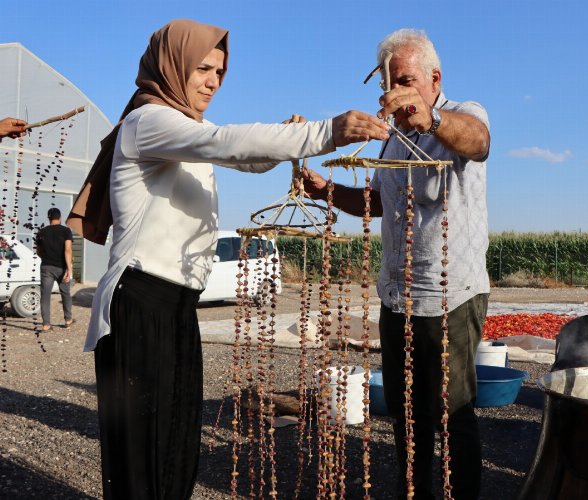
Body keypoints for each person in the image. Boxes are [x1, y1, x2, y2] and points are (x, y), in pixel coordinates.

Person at [67, 19, 388, 500]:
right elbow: (225, 144)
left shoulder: (185, 128)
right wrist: (325, 132)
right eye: (202, 68)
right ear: (171, 66)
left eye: (219, 71)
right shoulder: (148, 122)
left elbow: (246, 157)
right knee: (142, 450)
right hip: (140, 298)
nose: (213, 81)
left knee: (176, 439)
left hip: (175, 303)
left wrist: (285, 138)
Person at [303, 28, 491, 500]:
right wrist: (324, 190)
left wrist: (430, 119)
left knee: (452, 414)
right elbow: (378, 201)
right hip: (398, 298)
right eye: (388, 84)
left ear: (434, 78)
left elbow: (479, 141)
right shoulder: (392, 141)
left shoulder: (463, 116)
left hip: (450, 297)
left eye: (404, 80)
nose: (394, 94)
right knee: (407, 416)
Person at [35, 208, 74, 331]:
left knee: (45, 295)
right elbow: (67, 250)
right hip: (61, 267)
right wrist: (69, 269)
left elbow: (38, 251)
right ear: (60, 217)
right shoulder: (66, 231)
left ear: (49, 218)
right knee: (65, 294)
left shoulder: (41, 232)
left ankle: (46, 324)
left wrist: (46, 258)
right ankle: (68, 320)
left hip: (46, 268)